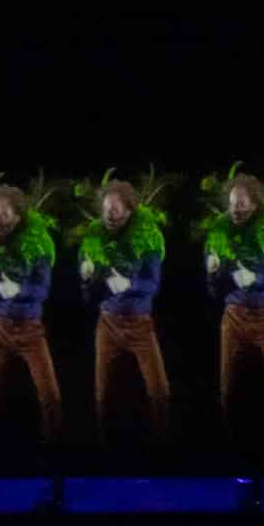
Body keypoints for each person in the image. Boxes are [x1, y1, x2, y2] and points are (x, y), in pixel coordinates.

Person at [199, 167, 264, 437]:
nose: (235, 210)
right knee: (228, 386)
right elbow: (213, 291)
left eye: (241, 205)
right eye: (232, 205)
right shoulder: (220, 232)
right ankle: (228, 435)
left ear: (255, 205)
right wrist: (214, 273)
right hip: (233, 317)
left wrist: (253, 278)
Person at [77, 174, 172, 442]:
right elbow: (86, 289)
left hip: (140, 323)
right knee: (103, 390)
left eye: (116, 210)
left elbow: (152, 284)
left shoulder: (148, 237)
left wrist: (126, 284)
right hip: (108, 323)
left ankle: (162, 439)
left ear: (129, 211)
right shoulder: (95, 236)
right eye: (106, 210)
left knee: (158, 389)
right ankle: (103, 441)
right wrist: (88, 277)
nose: (109, 215)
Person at [0, 179, 62, 445]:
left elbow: (41, 290)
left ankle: (53, 448)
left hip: (30, 328)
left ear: (18, 216)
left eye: (4, 215)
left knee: (50, 395)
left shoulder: (39, 243)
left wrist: (9, 287)